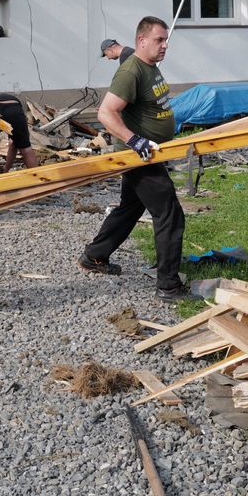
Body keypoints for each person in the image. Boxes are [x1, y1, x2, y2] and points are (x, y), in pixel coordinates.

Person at [79, 16, 188, 301]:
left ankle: (95, 255)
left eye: (166, 40)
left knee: (130, 207)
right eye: (159, 40)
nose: (165, 45)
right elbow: (106, 113)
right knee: (169, 214)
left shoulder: (146, 63)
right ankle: (168, 286)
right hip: (140, 156)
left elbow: (124, 50)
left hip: (152, 153)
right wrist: (134, 140)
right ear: (142, 41)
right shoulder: (131, 72)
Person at [0, 93, 40, 172]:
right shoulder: (18, 109)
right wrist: (7, 169)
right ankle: (38, 177)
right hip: (14, 111)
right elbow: (13, 144)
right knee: (26, 149)